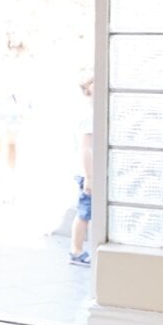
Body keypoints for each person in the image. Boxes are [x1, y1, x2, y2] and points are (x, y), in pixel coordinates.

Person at [69, 75, 94, 265]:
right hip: (87, 173)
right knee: (84, 212)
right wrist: (89, 176)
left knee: (86, 212)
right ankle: (76, 251)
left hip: (89, 172)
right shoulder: (89, 114)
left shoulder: (90, 110)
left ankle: (78, 250)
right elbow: (85, 147)